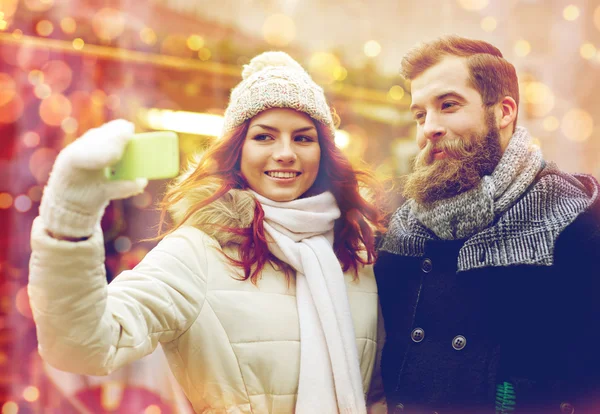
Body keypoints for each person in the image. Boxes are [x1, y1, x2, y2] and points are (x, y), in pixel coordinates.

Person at [28, 51, 388, 414]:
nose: (285, 153)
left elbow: (382, 394)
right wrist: (70, 220)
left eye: (303, 138)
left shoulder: (358, 253)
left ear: (324, 152)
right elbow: (82, 346)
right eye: (264, 137)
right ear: (236, 151)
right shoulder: (198, 251)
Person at [375, 35, 600, 414]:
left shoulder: (577, 219)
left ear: (504, 111)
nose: (429, 128)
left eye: (448, 105)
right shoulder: (400, 230)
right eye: (420, 114)